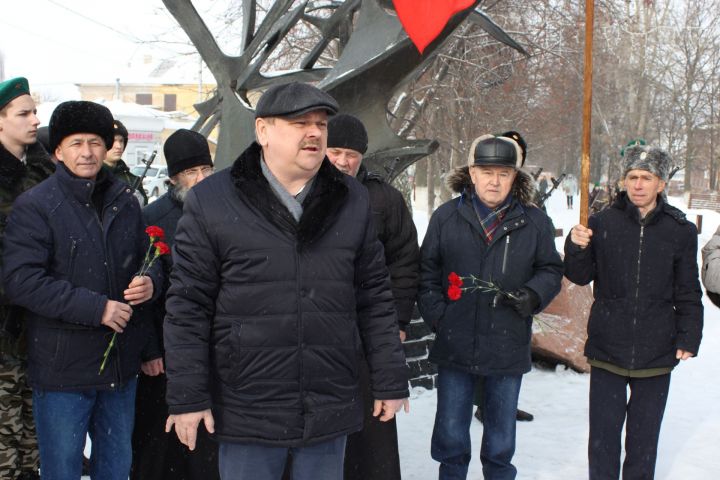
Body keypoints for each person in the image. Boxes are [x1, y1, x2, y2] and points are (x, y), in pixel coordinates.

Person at [163, 82, 410, 480]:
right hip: (248, 404)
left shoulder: (352, 199)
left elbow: (375, 296)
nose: (314, 132)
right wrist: (188, 396)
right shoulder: (212, 200)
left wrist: (390, 378)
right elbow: (188, 306)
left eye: (320, 123)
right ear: (263, 131)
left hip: (327, 401)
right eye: (299, 123)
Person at [2, 100, 163, 480]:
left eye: (95, 142)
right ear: (58, 151)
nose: (87, 152)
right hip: (62, 371)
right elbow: (22, 281)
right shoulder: (36, 206)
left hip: (119, 369)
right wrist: (97, 309)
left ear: (107, 147)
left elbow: (152, 257)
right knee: (62, 470)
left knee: (115, 467)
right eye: (76, 143)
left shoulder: (125, 201)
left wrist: (151, 282)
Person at [418, 133, 563, 479]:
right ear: (471, 172)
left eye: (503, 173)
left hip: (507, 342)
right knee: (451, 435)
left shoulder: (533, 220)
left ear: (515, 176)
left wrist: (533, 294)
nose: (494, 181)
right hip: (455, 343)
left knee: (500, 441)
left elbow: (551, 269)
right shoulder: (446, 217)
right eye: (486, 172)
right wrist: (441, 317)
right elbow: (426, 273)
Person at [564, 143, 703, 480]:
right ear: (624, 180)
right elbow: (580, 276)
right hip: (607, 345)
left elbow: (687, 289)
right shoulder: (602, 222)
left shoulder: (679, 230)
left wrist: (689, 335)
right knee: (603, 438)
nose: (638, 184)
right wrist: (575, 246)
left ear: (662, 184)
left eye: (647, 177)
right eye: (632, 177)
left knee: (643, 440)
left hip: (657, 349)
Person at [325, 113, 419, 480]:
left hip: (369, 329)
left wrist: (397, 320)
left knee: (371, 427)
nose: (343, 161)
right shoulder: (302, 192)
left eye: (352, 153)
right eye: (336, 151)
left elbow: (406, 262)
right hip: (322, 328)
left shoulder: (384, 198)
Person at [131, 129, 218, 480]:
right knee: (160, 442)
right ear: (172, 178)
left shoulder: (225, 210)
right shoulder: (152, 218)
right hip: (166, 350)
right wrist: (151, 348)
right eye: (190, 173)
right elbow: (143, 290)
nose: (200, 179)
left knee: (208, 442)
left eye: (205, 170)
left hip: (215, 345)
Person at [0, 76, 55, 480]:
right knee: (4, 419)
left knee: (35, 416)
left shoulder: (45, 170)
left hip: (40, 314)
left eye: (35, 112)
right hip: (4, 317)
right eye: (24, 113)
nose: (34, 120)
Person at [105, 119, 148, 205]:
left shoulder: (132, 180)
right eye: (114, 141)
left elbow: (145, 214)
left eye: (121, 141)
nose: (119, 146)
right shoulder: (92, 177)